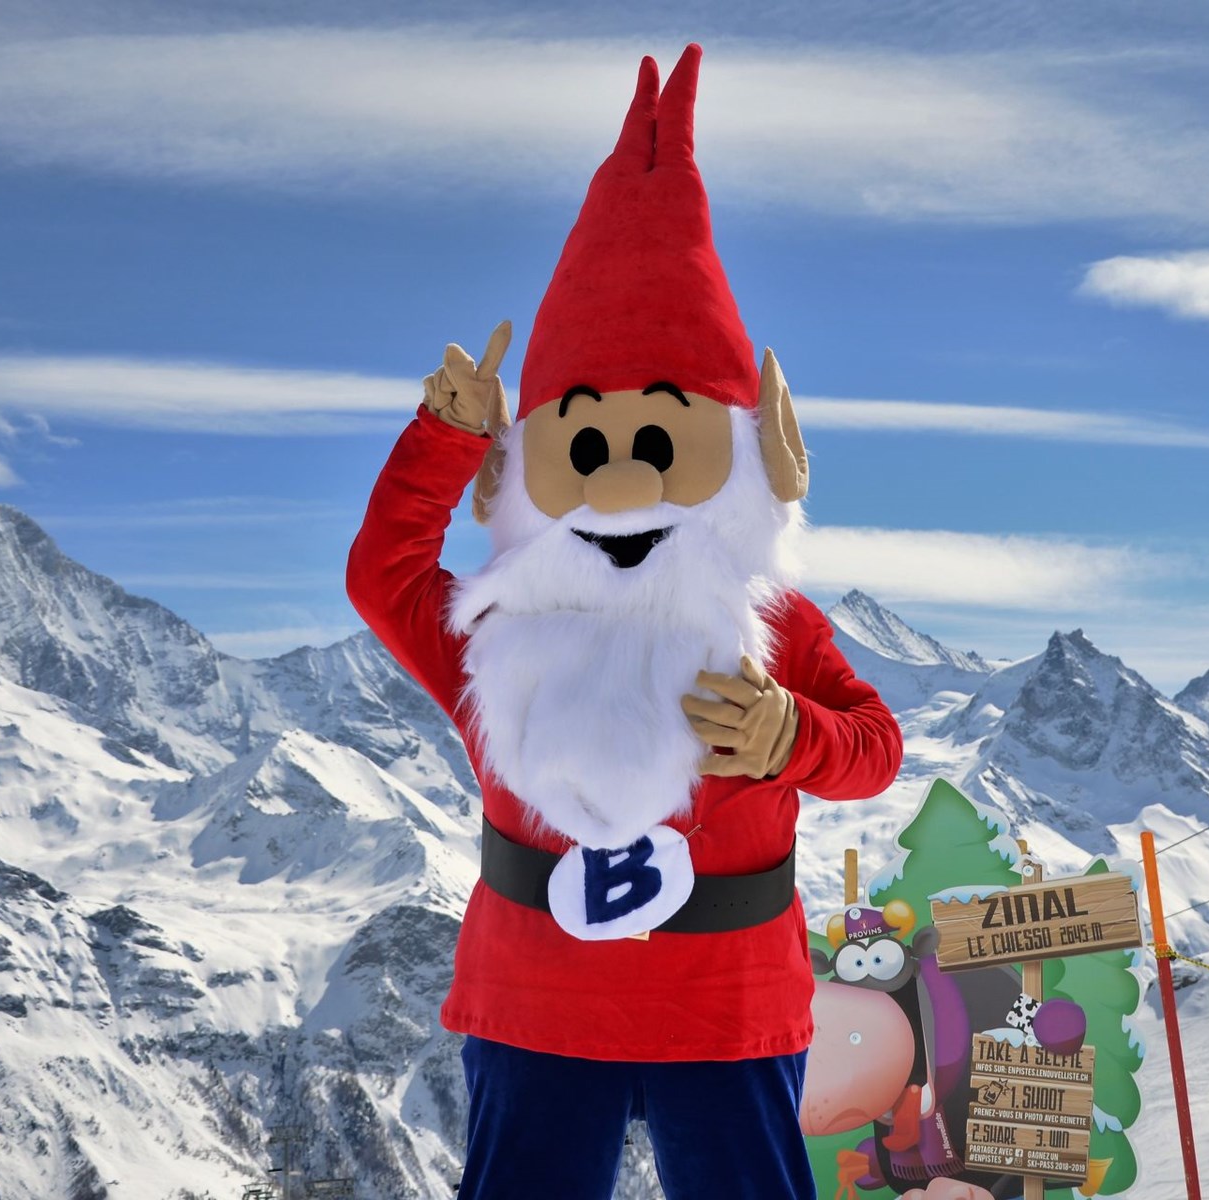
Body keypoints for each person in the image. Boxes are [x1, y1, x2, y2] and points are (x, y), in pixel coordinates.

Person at [346, 43, 904, 1199]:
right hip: (540, 1009)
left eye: (659, 440)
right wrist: (445, 440)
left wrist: (793, 734)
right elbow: (381, 577)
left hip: (726, 1012)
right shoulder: (496, 632)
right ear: (531, 460)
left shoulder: (773, 625)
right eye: (586, 445)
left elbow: (874, 751)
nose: (619, 482)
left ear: (740, 455)